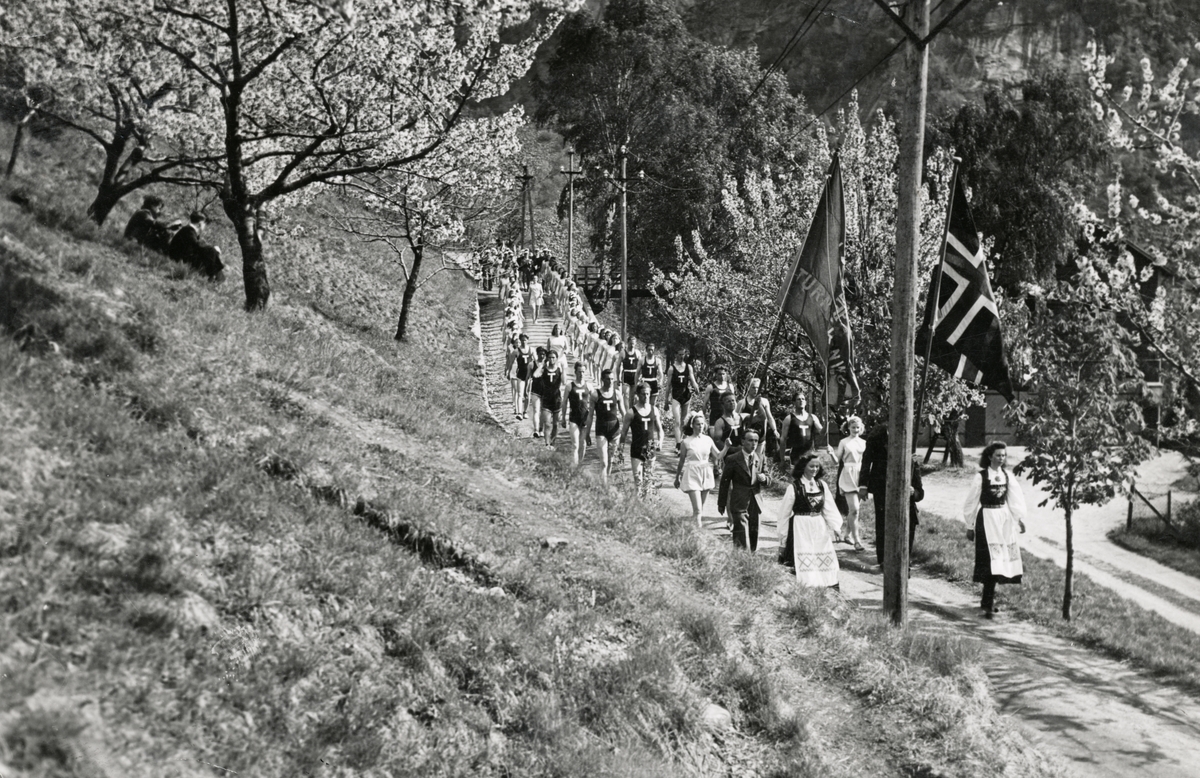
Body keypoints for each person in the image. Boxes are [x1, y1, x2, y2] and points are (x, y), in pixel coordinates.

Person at [963, 442, 1027, 619]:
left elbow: (1014, 498)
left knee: (1001, 560)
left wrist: (1019, 519)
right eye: (998, 455)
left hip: (1003, 520)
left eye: (1004, 455)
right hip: (987, 520)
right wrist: (970, 526)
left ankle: (988, 601)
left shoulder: (1007, 476)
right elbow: (971, 502)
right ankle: (987, 602)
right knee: (990, 560)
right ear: (990, 456)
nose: (1001, 458)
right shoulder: (981, 477)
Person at [858, 425, 923, 570]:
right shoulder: (876, 435)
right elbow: (866, 460)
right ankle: (883, 560)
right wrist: (863, 485)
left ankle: (905, 558)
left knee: (909, 520)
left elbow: (919, 489)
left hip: (904, 482)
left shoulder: (907, 431)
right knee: (883, 522)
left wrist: (914, 488)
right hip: (881, 485)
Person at [777, 454, 842, 588]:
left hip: (818, 526)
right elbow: (784, 515)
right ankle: (806, 587)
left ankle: (825, 586)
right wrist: (783, 539)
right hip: (800, 527)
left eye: (817, 466)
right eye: (811, 466)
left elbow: (829, 507)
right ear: (803, 467)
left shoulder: (822, 485)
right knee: (802, 558)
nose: (815, 469)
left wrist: (836, 527)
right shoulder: (794, 487)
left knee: (822, 556)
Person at [717, 430, 771, 551]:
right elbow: (724, 483)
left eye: (756, 441)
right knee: (740, 532)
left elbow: (768, 479)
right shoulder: (733, 459)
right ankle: (740, 558)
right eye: (750, 440)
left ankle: (751, 560)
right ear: (743, 441)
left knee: (754, 531)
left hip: (755, 501)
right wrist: (721, 503)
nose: (753, 444)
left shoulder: (761, 458)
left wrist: (764, 479)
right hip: (739, 500)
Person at [618, 382, 664, 498]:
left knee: (648, 482)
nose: (647, 397)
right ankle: (637, 509)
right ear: (638, 394)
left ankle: (646, 508)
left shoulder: (655, 410)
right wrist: (620, 450)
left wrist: (660, 442)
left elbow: (660, 430)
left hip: (650, 450)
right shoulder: (631, 413)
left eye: (648, 394)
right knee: (638, 482)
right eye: (644, 394)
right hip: (636, 450)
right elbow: (623, 433)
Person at [674, 411, 719, 527]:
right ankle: (699, 534)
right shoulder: (686, 442)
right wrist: (677, 477)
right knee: (698, 510)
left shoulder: (708, 439)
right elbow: (681, 461)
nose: (701, 426)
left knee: (699, 511)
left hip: (706, 473)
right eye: (698, 424)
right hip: (692, 473)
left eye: (702, 424)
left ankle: (694, 533)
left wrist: (728, 447)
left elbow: (718, 455)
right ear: (692, 425)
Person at [833, 415, 867, 550]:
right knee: (854, 510)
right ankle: (857, 540)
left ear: (861, 428)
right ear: (848, 428)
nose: (855, 430)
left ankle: (847, 535)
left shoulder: (864, 443)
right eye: (853, 427)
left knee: (854, 511)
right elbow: (836, 461)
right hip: (848, 474)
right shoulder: (844, 442)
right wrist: (831, 453)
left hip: (861, 475)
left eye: (858, 427)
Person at [167, 211, 224, 280]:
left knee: (211, 252)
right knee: (211, 251)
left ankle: (215, 277)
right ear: (200, 224)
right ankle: (216, 278)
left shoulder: (188, 230)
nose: (204, 226)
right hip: (179, 260)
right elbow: (197, 246)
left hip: (181, 257)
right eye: (204, 224)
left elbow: (196, 247)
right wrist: (213, 249)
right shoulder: (188, 231)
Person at [592, 369, 625, 484]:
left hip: (614, 431)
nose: (610, 381)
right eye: (608, 379)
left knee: (610, 461)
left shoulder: (617, 394)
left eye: (612, 379)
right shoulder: (596, 394)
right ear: (602, 380)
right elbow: (590, 415)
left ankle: (606, 483)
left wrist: (627, 428)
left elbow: (624, 413)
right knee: (604, 462)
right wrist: (587, 434)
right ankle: (603, 487)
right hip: (601, 430)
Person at [666, 352, 700, 450]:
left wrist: (696, 387)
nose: (682, 356)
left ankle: (680, 442)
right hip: (676, 396)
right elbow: (668, 385)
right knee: (677, 421)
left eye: (683, 354)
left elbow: (692, 380)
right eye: (680, 354)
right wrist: (666, 400)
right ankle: (678, 443)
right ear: (676, 355)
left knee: (683, 421)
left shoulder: (688, 367)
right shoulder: (672, 368)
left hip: (686, 396)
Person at [779, 394, 824, 466]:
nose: (801, 401)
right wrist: (782, 459)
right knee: (796, 476)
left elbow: (822, 432)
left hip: (809, 454)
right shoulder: (789, 418)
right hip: (795, 456)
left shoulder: (812, 417)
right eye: (798, 399)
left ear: (806, 402)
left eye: (803, 399)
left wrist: (827, 423)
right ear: (794, 402)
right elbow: (783, 439)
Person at [738, 377, 777, 460]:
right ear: (748, 388)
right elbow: (737, 420)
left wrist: (775, 430)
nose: (755, 390)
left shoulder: (764, 401)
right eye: (753, 387)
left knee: (758, 459)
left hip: (761, 437)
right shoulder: (742, 403)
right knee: (746, 459)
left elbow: (769, 417)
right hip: (747, 438)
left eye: (757, 388)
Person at [534, 349, 565, 447]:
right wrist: (542, 364)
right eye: (550, 357)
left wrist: (563, 369)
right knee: (547, 424)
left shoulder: (559, 370)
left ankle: (552, 442)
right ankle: (547, 444)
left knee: (555, 424)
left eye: (553, 358)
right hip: (546, 399)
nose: (551, 359)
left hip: (556, 400)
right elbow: (535, 375)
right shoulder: (544, 369)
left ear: (556, 359)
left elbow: (564, 381)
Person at [566, 361, 592, 465]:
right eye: (579, 372)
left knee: (583, 444)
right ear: (575, 372)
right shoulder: (570, 386)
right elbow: (564, 402)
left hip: (585, 418)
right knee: (575, 445)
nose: (581, 374)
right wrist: (563, 416)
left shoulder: (589, 386)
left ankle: (579, 465)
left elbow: (594, 401)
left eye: (583, 372)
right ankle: (574, 467)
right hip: (574, 418)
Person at [504, 333, 534, 420]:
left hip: (529, 376)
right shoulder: (516, 351)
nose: (524, 342)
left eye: (525, 340)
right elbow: (510, 362)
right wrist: (508, 372)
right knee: (520, 394)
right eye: (522, 340)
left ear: (528, 340)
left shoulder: (531, 350)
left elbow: (535, 361)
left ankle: (525, 412)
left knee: (527, 394)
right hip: (520, 375)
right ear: (520, 341)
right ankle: (519, 412)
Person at [528, 346, 548, 437]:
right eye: (541, 354)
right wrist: (526, 390)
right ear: (537, 354)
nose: (542, 356)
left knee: (543, 411)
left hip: (545, 391)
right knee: (536, 410)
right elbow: (529, 377)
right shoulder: (532, 364)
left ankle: (541, 429)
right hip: (535, 390)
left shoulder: (547, 365)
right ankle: (536, 430)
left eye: (544, 354)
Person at [619, 339, 641, 409]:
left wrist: (640, 376)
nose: (632, 345)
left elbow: (641, 366)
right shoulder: (623, 352)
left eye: (633, 344)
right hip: (626, 374)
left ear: (635, 344)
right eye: (630, 343)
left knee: (633, 396)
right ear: (627, 343)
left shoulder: (637, 353)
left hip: (635, 375)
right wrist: (618, 376)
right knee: (626, 394)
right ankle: (627, 412)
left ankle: (631, 411)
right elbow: (618, 366)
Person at [640, 343, 663, 408]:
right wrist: (637, 383)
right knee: (644, 402)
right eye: (649, 350)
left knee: (652, 403)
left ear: (654, 351)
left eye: (652, 350)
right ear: (646, 350)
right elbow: (637, 373)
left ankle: (652, 416)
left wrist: (660, 382)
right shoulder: (642, 360)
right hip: (645, 382)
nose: (650, 352)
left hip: (653, 382)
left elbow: (661, 373)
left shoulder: (658, 360)